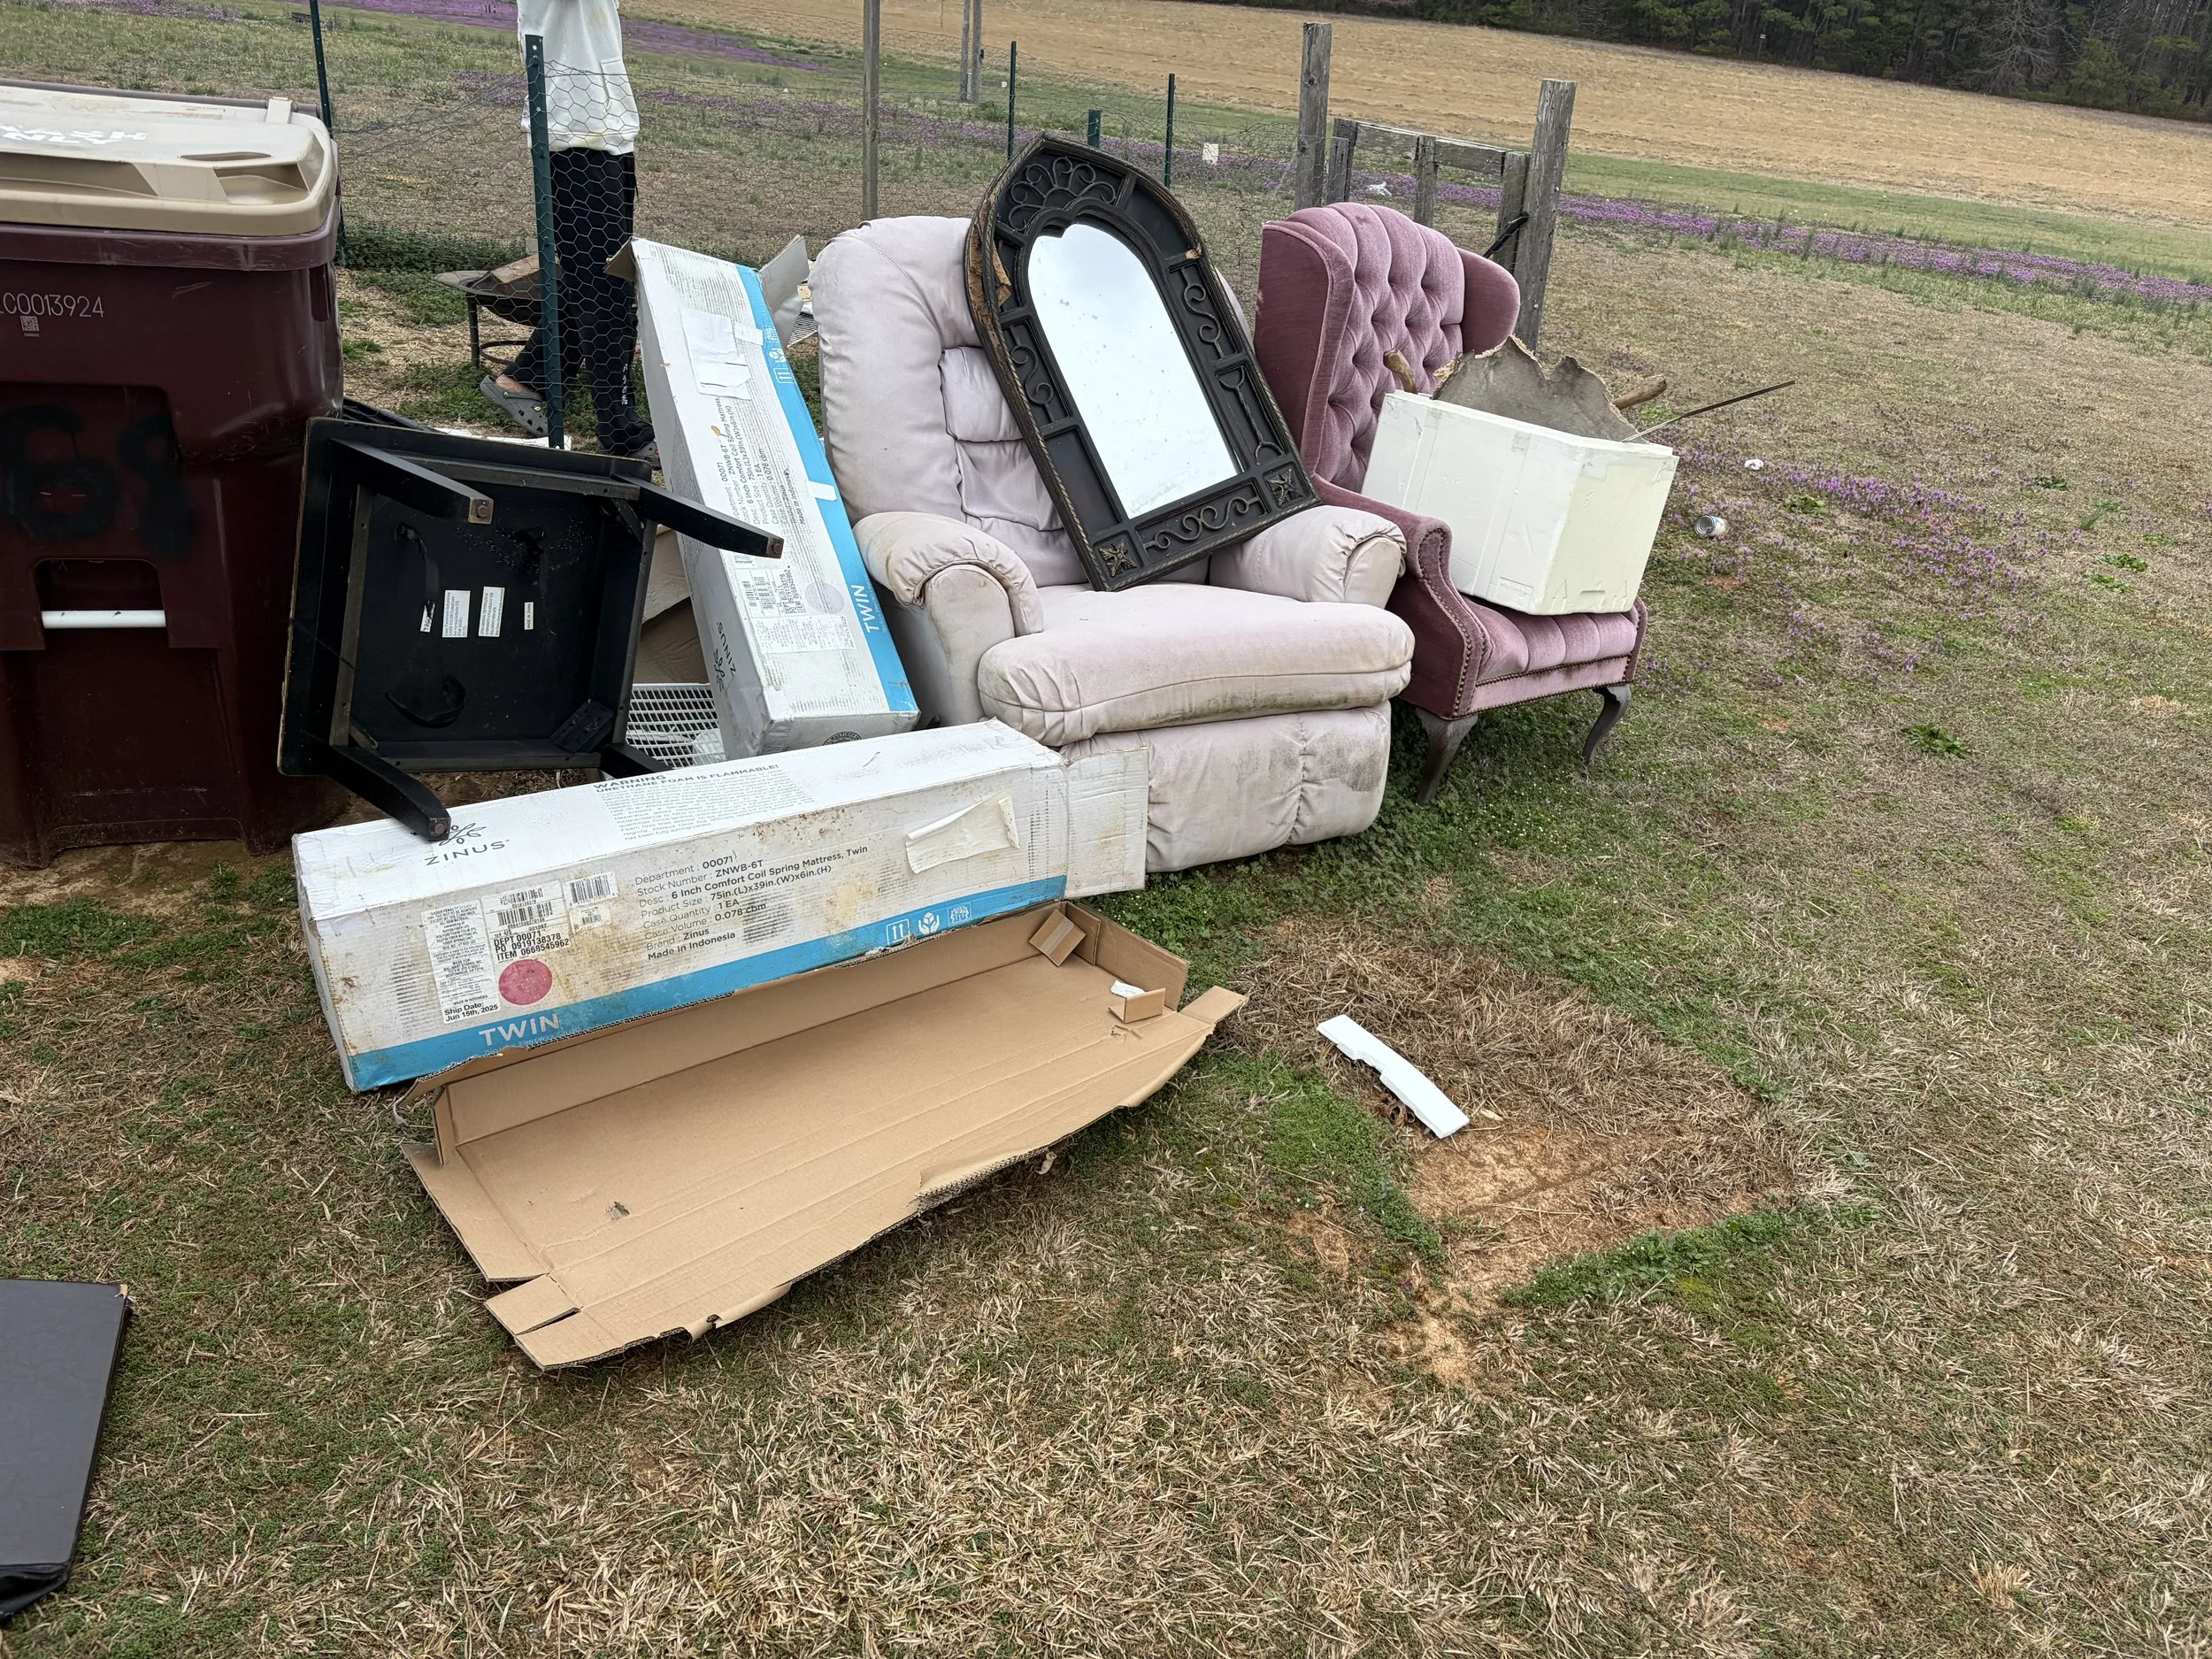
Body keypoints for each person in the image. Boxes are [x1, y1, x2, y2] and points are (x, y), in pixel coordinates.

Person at [480, 0, 656, 460]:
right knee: (607, 292)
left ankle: (527, 377)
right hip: (577, 141)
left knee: (593, 281)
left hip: (603, 134)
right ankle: (620, 427)